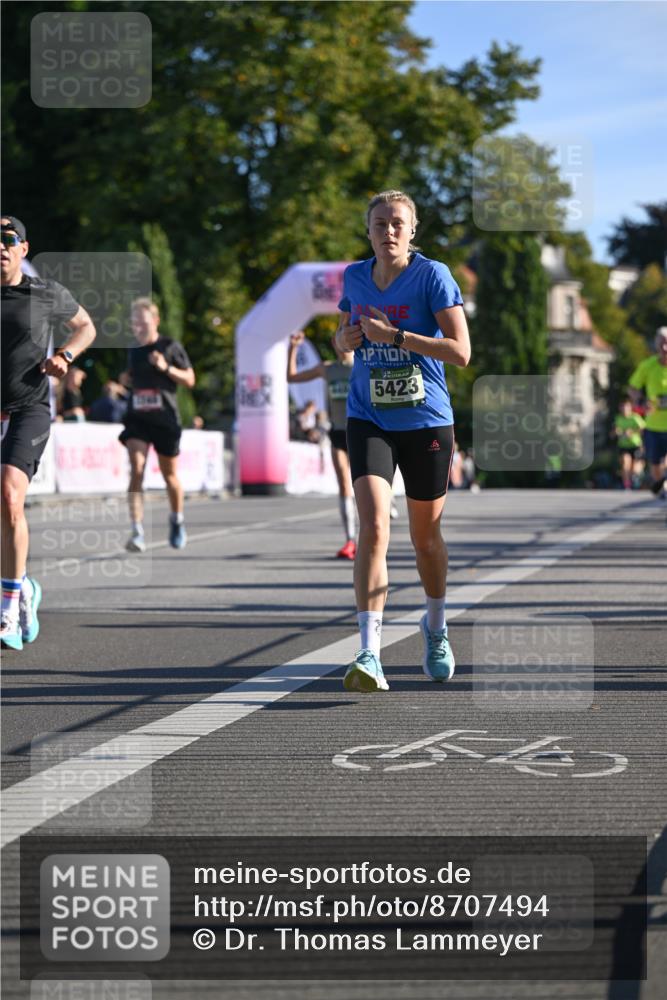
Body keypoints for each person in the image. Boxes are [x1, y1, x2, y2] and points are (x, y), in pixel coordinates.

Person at [335, 190, 470, 692]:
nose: (388, 231)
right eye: (379, 224)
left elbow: (460, 351)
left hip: (426, 422)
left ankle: (435, 625)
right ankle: (369, 652)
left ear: (412, 231)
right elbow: (342, 333)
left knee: (425, 539)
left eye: (397, 223)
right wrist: (344, 340)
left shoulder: (432, 276)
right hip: (368, 416)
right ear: (367, 231)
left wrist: (394, 337)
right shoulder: (354, 276)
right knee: (371, 526)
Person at [1, 215, 96, 650]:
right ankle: (23, 584)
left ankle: (11, 602)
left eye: (8, 240)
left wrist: (66, 355)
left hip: (28, 408)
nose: (0, 247)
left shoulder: (43, 292)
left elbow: (86, 326)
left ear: (23, 248)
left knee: (8, 494)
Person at [119, 298, 195, 552]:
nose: (139, 326)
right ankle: (137, 530)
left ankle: (176, 520)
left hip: (165, 419)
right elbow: (133, 381)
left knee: (169, 475)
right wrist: (126, 380)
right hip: (138, 419)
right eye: (135, 322)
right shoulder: (133, 351)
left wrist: (166, 367)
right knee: (137, 468)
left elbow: (190, 379)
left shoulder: (169, 346)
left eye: (143, 321)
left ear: (156, 321)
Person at [287, 330, 357, 559]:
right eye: (337, 340)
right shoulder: (328, 369)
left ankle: (383, 515)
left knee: (367, 487)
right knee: (345, 486)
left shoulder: (363, 365)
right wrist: (294, 348)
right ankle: (350, 540)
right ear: (334, 343)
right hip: (338, 432)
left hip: (363, 431)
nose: (341, 344)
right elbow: (292, 378)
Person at [628, 327, 667, 498]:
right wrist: (641, 401)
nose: (665, 348)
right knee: (655, 463)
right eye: (661, 345)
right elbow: (633, 387)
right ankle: (660, 485)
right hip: (653, 425)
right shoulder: (648, 366)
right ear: (656, 346)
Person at [612, 397, 645, 490]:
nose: (624, 409)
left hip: (635, 445)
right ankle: (627, 485)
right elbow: (613, 432)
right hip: (623, 446)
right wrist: (616, 432)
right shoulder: (618, 418)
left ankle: (637, 476)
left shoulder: (635, 417)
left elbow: (643, 429)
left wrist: (632, 432)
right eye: (622, 407)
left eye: (626, 406)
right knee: (625, 463)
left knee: (634, 469)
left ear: (630, 407)